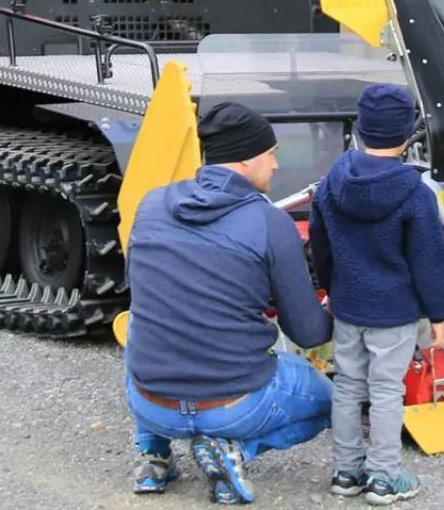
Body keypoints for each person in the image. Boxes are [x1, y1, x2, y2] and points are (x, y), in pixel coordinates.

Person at [123, 101, 334, 505]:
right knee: (332, 404)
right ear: (246, 158)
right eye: (271, 154)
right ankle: (232, 453)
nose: (275, 166)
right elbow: (308, 333)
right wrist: (337, 304)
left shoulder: (150, 206)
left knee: (142, 317)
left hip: (150, 404)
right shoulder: (270, 222)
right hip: (234, 408)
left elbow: (140, 287)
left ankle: (152, 454)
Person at [307, 83, 444, 505]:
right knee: (387, 391)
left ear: (359, 129)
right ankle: (385, 477)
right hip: (394, 312)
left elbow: (320, 243)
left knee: (349, 386)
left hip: (348, 305)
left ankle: (346, 473)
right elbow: (430, 260)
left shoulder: (332, 183)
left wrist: (332, 288)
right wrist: (439, 314)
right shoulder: (416, 194)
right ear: (409, 136)